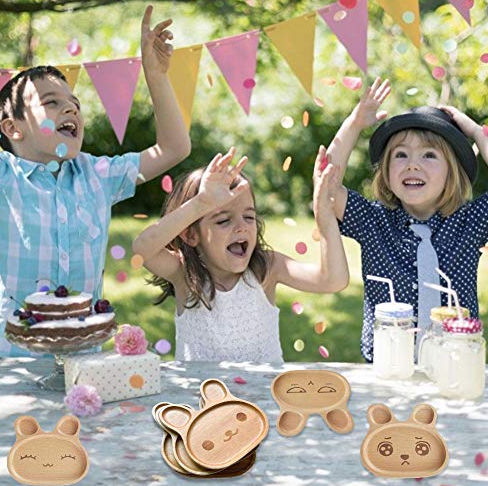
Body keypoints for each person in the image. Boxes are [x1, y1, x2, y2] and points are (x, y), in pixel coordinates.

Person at [0, 6, 191, 360]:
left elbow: (174, 148)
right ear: (13, 128)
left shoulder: (98, 176)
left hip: (85, 358)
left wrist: (156, 75)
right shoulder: (1, 174)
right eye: (51, 103)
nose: (71, 110)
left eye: (75, 104)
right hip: (10, 359)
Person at [317, 76, 488, 362]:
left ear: (452, 172)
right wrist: (355, 123)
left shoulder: (469, 223)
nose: (412, 164)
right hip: (388, 365)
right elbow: (326, 185)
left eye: (429, 155)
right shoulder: (373, 222)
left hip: (456, 362)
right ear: (385, 171)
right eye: (401, 155)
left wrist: (475, 131)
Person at [133, 147, 349, 362]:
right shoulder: (184, 275)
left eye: (249, 217)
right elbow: (143, 249)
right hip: (203, 394)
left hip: (262, 394)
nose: (241, 227)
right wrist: (201, 204)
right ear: (190, 235)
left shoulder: (267, 267)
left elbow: (332, 280)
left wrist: (325, 215)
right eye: (223, 220)